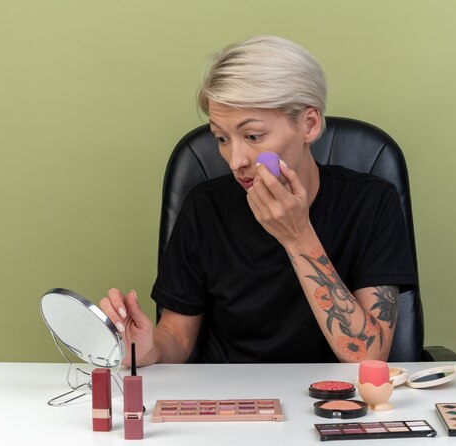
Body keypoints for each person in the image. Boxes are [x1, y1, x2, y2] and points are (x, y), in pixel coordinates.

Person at [99, 35, 417, 366]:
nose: (235, 160)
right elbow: (178, 336)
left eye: (253, 136)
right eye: (222, 138)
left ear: (309, 124)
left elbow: (368, 356)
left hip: (334, 400)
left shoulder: (372, 201)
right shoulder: (205, 208)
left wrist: (297, 236)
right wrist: (147, 349)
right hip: (230, 400)